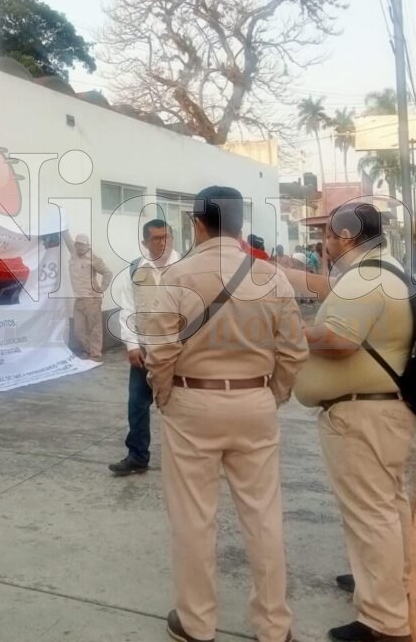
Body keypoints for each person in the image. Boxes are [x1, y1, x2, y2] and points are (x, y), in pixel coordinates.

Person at [147, 186, 308, 642]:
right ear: (240, 224)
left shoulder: (176, 276)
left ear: (197, 224)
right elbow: (294, 350)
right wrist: (272, 393)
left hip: (192, 402)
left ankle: (197, 623)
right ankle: (274, 626)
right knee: (263, 516)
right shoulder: (272, 277)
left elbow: (160, 351)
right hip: (254, 402)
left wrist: (166, 396)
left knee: (193, 519)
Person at [295, 203, 416, 642]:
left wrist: (292, 332)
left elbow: (338, 340)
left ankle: (383, 620)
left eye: (328, 234)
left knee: (370, 514)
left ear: (346, 236)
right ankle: (389, 583)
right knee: (387, 505)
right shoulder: (388, 269)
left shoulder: (364, 279)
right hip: (381, 411)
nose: (324, 242)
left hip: (361, 415)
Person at [110, 219, 181, 476]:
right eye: (156, 239)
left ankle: (183, 459)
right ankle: (137, 456)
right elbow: (127, 310)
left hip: (177, 352)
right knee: (137, 405)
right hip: (145, 351)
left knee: (179, 406)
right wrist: (131, 346)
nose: (162, 243)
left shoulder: (187, 268)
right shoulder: (135, 270)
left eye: (166, 237)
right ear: (145, 242)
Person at [68, 232, 112, 361]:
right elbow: (67, 238)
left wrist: (102, 288)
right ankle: (86, 350)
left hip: (91, 299)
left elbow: (107, 272)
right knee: (78, 330)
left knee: (94, 328)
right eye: (78, 244)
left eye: (82, 245)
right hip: (78, 299)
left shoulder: (93, 258)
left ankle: (95, 354)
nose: (80, 247)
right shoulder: (73, 255)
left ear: (88, 245)